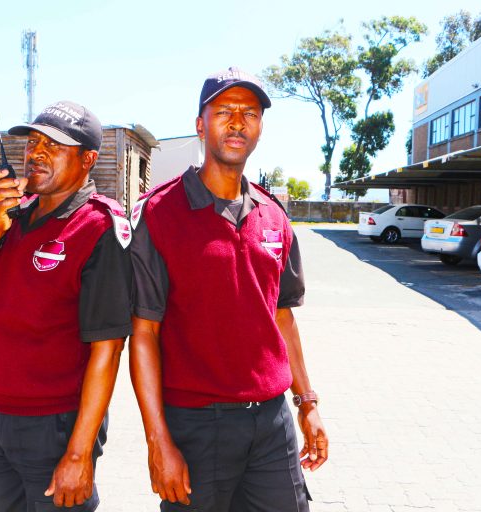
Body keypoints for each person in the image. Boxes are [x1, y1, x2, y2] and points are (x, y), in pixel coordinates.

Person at [129, 67, 328, 512]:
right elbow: (144, 333)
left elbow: (282, 316)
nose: (237, 122)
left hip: (272, 422)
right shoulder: (158, 214)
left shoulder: (274, 217)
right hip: (196, 426)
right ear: (200, 125)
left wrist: (307, 402)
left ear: (260, 127)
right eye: (224, 112)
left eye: (249, 113)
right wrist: (157, 441)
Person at [0, 100, 132, 511]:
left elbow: (108, 351)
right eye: (33, 143)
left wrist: (79, 453)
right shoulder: (13, 216)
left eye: (54, 146)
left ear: (88, 160)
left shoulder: (98, 227)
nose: (37, 153)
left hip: (57, 427)